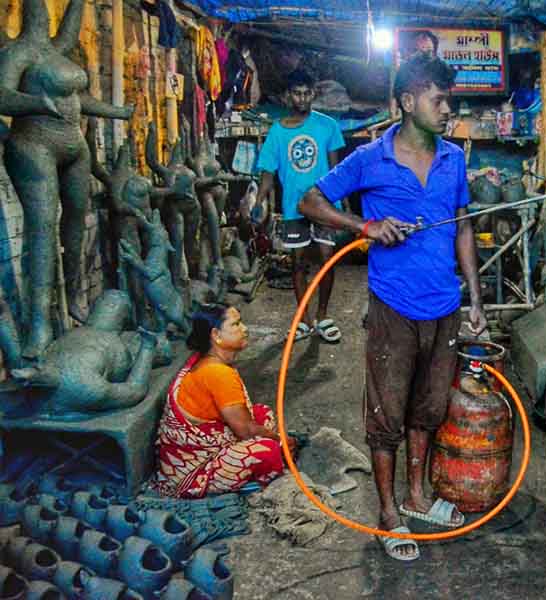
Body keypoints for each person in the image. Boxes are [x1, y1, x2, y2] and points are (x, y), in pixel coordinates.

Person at [299, 53, 487, 561]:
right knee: (386, 414)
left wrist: (474, 297)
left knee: (427, 409)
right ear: (407, 101)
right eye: (438, 100)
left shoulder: (454, 159)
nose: (447, 110)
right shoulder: (370, 158)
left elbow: (463, 227)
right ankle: (387, 513)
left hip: (444, 307)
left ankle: (416, 497)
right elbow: (310, 201)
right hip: (393, 308)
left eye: (449, 101)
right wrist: (365, 227)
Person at [153, 304, 294, 498]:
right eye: (236, 324)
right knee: (269, 451)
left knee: (262, 413)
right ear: (216, 335)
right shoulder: (218, 374)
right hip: (193, 469)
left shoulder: (207, 362)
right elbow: (245, 431)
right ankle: (240, 487)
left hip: (208, 443)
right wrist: (281, 441)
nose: (245, 329)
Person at [257, 69, 346, 343]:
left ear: (313, 94)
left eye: (307, 93)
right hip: (293, 207)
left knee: (327, 260)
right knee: (297, 264)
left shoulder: (328, 126)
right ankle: (304, 320)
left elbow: (337, 171)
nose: (303, 98)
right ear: (288, 96)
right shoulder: (277, 131)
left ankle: (322, 316)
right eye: (297, 93)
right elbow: (267, 173)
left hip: (324, 205)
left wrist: (342, 205)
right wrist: (258, 202)